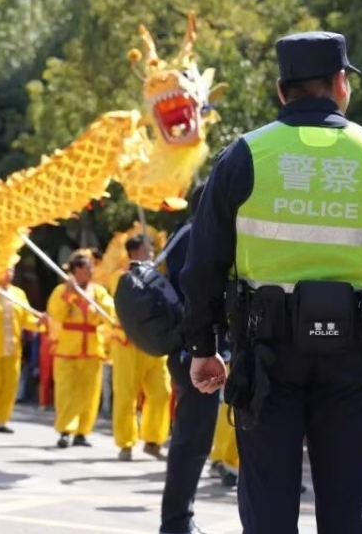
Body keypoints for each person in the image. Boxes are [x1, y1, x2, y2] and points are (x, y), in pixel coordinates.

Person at [181, 32, 362, 534]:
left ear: (282, 91)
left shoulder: (244, 156)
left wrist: (201, 345)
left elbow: (204, 263)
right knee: (346, 504)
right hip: (351, 359)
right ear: (341, 84)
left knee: (268, 507)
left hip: (265, 357)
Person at [158, 182, 222, 534]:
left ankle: (178, 519)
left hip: (190, 348)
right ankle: (177, 521)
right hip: (197, 351)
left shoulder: (182, 234)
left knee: (193, 437)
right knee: (193, 439)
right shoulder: (201, 237)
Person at [109, 235, 171, 461]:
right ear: (135, 252)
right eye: (147, 249)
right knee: (126, 395)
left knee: (162, 392)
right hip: (128, 344)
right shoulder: (122, 277)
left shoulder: (158, 275)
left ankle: (154, 439)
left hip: (154, 343)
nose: (152, 253)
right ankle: (125, 443)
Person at [46, 250, 116, 449]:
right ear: (77, 270)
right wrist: (69, 296)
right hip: (67, 348)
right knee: (66, 391)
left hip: (92, 348)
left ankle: (82, 432)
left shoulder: (99, 292)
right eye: (87, 267)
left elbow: (109, 313)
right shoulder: (61, 291)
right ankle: (65, 430)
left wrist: (97, 305)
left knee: (89, 393)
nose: (92, 270)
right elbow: (56, 315)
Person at [0, 266, 41, 433]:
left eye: (11, 270)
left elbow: (26, 318)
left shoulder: (18, 294)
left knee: (9, 385)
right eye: (5, 270)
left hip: (13, 347)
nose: (9, 273)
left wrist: (39, 323)